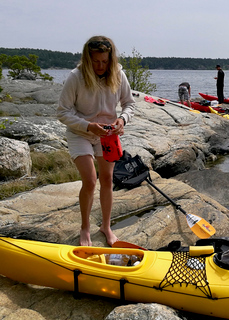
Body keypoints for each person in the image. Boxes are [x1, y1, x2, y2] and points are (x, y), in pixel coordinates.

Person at [57, 35, 135, 247]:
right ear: (87, 58)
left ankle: (106, 227)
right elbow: (62, 112)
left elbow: (129, 103)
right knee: (90, 180)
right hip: (80, 132)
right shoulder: (76, 76)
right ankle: (85, 228)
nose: (101, 66)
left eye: (105, 61)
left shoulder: (118, 74)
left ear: (111, 59)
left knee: (108, 180)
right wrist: (88, 125)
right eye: (96, 61)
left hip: (108, 134)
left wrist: (122, 119)